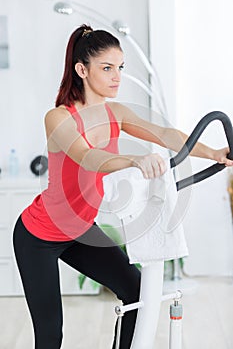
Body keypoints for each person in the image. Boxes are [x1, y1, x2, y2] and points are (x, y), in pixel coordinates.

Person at [13, 24, 233, 349]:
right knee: (50, 334)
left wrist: (213, 152)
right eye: (107, 68)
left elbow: (166, 135)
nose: (117, 76)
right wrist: (133, 161)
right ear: (81, 70)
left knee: (135, 291)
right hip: (39, 235)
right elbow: (87, 157)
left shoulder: (115, 112)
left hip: (81, 230)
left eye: (120, 68)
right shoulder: (58, 118)